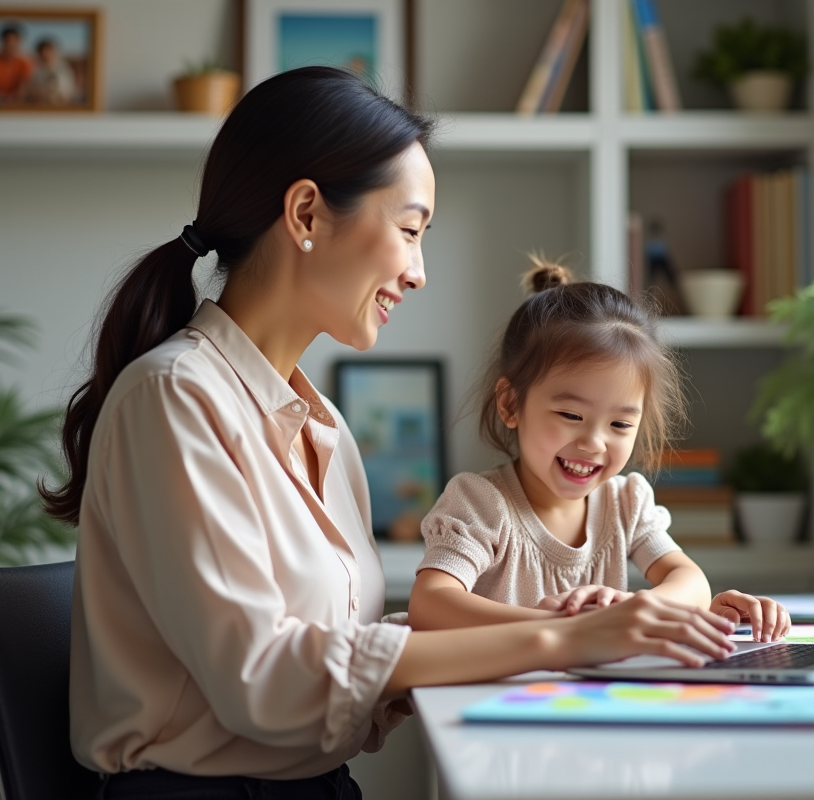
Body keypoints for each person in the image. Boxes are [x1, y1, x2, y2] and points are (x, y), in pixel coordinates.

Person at [43, 67, 739, 800]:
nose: (419, 273)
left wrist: (543, 624)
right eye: (410, 230)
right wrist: (561, 640)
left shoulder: (324, 428)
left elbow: (332, 656)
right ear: (306, 214)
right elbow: (263, 676)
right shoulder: (175, 397)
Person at [408, 257, 792, 642]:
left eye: (620, 424)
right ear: (510, 404)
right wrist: (569, 629)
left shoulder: (624, 503)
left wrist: (641, 614)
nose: (594, 442)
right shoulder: (482, 504)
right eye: (571, 415)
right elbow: (431, 604)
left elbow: (689, 581)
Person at [27, 37, 77, 105]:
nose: (45, 54)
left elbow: (69, 92)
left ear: (54, 51)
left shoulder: (64, 70)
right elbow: (33, 92)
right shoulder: (35, 71)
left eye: (48, 50)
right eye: (42, 52)